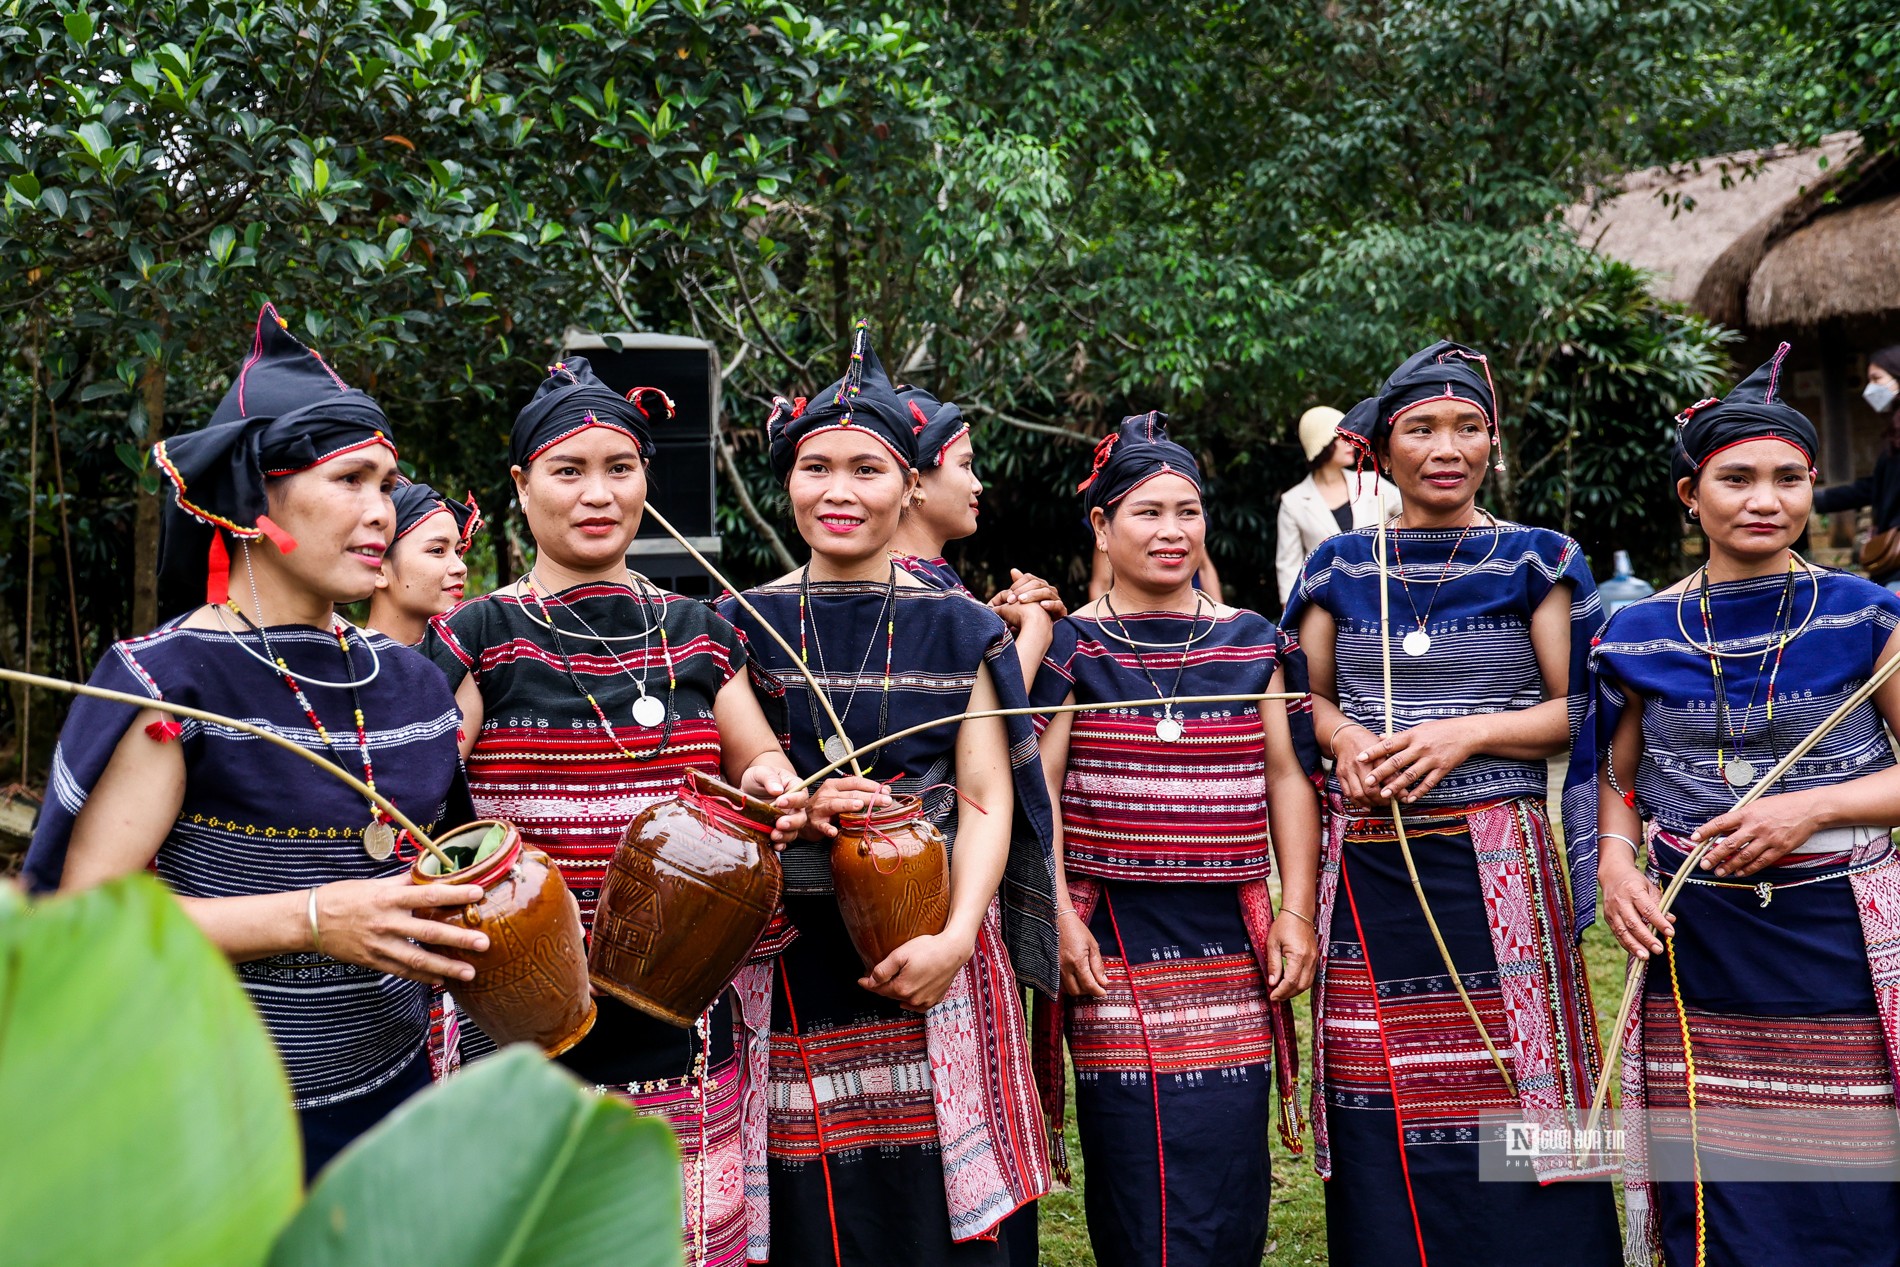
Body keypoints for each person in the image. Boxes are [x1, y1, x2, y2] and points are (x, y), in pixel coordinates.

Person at [24, 304, 485, 1180]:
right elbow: (84, 922)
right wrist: (312, 918)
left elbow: (445, 867)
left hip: (396, 1105)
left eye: (387, 483)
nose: (381, 510)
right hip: (218, 1122)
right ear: (250, 498)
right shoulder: (172, 682)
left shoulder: (416, 682)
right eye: (348, 479)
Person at [422, 360, 810, 1267]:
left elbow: (756, 751)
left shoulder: (701, 630)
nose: (598, 495)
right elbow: (424, 785)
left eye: (620, 468)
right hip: (524, 999)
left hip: (679, 996)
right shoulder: (478, 637)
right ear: (521, 487)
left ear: (648, 479)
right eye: (568, 471)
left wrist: (772, 785)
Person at [719, 323, 1058, 1267]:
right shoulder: (737, 622)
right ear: (787, 479)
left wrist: (957, 938)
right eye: (815, 467)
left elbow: (988, 797)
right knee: (812, 1207)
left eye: (867, 470)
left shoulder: (960, 628)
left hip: (934, 941)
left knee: (936, 1208)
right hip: (788, 960)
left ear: (910, 485)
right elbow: (719, 778)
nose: (838, 492)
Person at [1284, 340, 1620, 1266]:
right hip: (1372, 867)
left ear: (1494, 442)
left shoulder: (1539, 558)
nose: (1448, 446)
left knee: (1524, 1079)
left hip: (1497, 860)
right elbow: (1297, 701)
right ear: (1377, 450)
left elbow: (1575, 707)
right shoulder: (1342, 566)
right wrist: (1348, 738)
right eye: (1423, 428)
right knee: (1378, 1085)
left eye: (1470, 426)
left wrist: (1464, 734)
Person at [1596, 341, 1900, 1266]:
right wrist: (1614, 860)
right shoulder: (1633, 633)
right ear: (1691, 495)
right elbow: (1616, 780)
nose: (1765, 501)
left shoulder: (1864, 613)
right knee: (1722, 1185)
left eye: (1789, 478)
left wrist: (1807, 811)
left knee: (1857, 1177)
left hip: (1837, 929)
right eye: (1735, 479)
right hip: (1704, 942)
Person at [1029, 411, 1320, 1267]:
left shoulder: (1255, 643)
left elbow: (1287, 778)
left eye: (1186, 511)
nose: (1171, 531)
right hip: (1110, 933)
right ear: (1102, 526)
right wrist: (1058, 915)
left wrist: (1296, 913)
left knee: (1229, 1155)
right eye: (1147, 512)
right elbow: (1037, 786)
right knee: (1132, 1149)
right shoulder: (1072, 649)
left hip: (1230, 938)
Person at [887, 383, 1068, 679]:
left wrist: (989, 621)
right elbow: (976, 716)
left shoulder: (919, 577)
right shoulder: (906, 588)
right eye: (965, 465)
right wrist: (1037, 627)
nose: (978, 485)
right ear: (915, 484)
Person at [1276, 402, 1402, 606]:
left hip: (1385, 599)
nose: (1351, 443)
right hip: (1326, 607)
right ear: (1323, 445)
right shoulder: (1293, 502)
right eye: (1342, 439)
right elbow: (1288, 570)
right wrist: (1290, 622)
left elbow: (1415, 516)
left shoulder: (1373, 483)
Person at [1814, 344, 1900, 590]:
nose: (1870, 388)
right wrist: (1822, 498)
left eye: (1876, 379)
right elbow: (1877, 486)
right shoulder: (1894, 432)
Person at [365, 482, 481, 647]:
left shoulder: (474, 662)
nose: (461, 568)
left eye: (458, 552)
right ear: (378, 571)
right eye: (437, 550)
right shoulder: (348, 668)